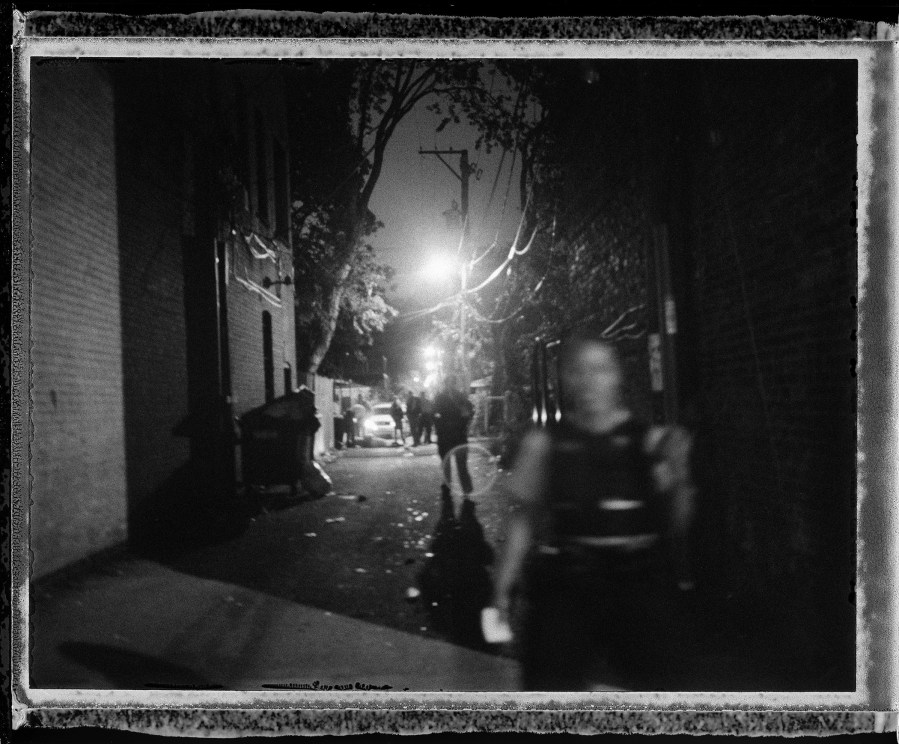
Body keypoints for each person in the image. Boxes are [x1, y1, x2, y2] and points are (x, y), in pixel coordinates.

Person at [490, 326, 696, 692]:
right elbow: (523, 520)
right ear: (566, 380)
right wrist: (502, 589)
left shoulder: (647, 443)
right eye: (578, 371)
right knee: (548, 688)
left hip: (637, 581)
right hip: (572, 580)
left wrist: (680, 477)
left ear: (616, 376)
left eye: (600, 369)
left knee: (666, 690)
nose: (589, 381)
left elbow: (678, 522)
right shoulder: (545, 444)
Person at [434, 375, 475, 497]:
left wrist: (440, 426)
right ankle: (460, 488)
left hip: (451, 435)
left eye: (452, 383)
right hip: (454, 435)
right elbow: (469, 412)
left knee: (458, 463)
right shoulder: (450, 397)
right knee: (453, 463)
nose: (450, 385)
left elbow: (434, 414)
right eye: (450, 383)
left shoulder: (445, 397)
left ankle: (459, 488)